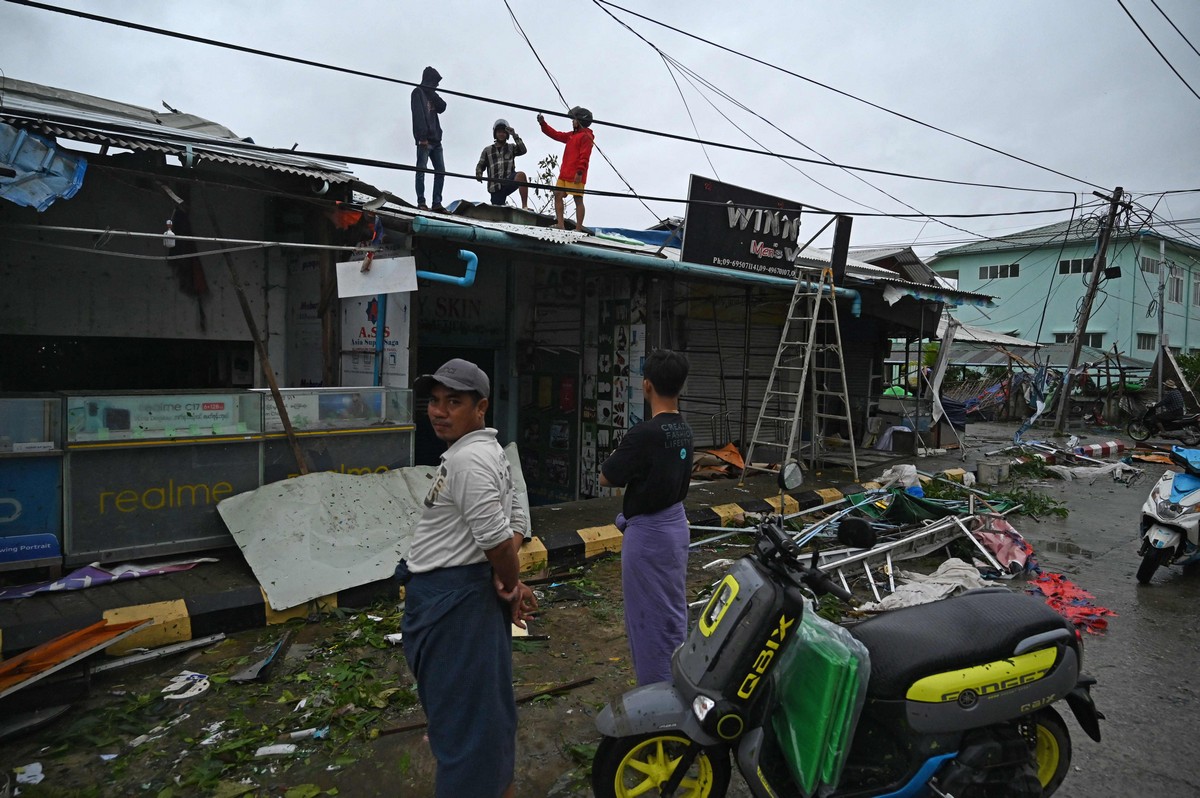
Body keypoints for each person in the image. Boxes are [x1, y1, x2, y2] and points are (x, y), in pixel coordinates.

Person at [397, 358, 537, 797]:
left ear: (481, 407)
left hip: (454, 604)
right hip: (457, 597)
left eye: (453, 402)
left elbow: (498, 541)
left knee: (469, 728)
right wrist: (504, 575)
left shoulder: (470, 460)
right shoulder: (485, 453)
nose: (439, 411)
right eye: (435, 401)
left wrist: (509, 581)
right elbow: (515, 519)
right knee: (481, 720)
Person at [599, 349, 693, 685]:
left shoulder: (644, 434)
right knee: (670, 613)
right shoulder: (684, 430)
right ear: (679, 387)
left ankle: (658, 694)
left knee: (648, 620)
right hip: (675, 530)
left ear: (647, 385)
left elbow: (607, 476)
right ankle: (676, 680)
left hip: (649, 538)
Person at [537, 107, 595, 230]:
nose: (572, 122)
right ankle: (560, 224)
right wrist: (543, 124)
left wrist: (580, 171)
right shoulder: (572, 135)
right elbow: (556, 134)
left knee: (578, 199)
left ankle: (578, 228)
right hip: (564, 173)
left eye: (574, 119)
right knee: (557, 194)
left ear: (580, 121)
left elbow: (585, 156)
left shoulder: (586, 136)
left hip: (576, 174)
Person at [411, 66, 447, 213]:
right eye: (435, 82)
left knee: (441, 171)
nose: (437, 85)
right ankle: (421, 201)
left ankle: (437, 203)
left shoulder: (431, 94)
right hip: (424, 140)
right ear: (429, 80)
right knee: (421, 170)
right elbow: (418, 115)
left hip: (436, 140)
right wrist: (422, 137)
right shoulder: (417, 92)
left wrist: (432, 93)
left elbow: (443, 107)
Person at [476, 119, 530, 209]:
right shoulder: (487, 150)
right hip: (495, 186)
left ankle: (525, 206)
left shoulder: (511, 147)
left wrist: (514, 135)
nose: (501, 134)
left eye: (504, 132)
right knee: (497, 210)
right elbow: (480, 165)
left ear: (507, 135)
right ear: (495, 134)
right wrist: (479, 174)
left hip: (508, 179)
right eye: (499, 132)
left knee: (521, 176)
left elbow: (523, 150)